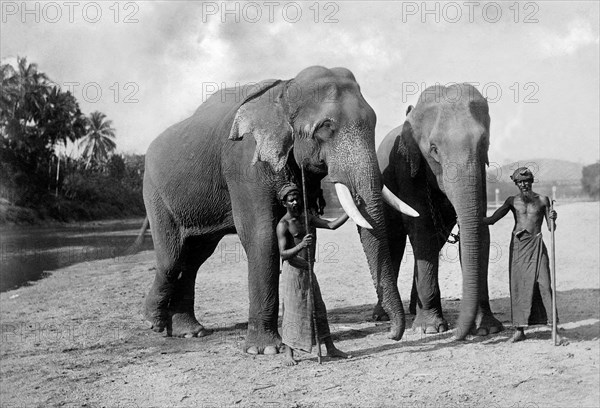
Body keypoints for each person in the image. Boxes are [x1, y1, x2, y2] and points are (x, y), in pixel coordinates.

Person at [484, 167, 566, 344]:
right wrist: (470, 219)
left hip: (537, 245)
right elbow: (491, 220)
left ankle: (554, 330)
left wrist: (554, 218)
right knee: (519, 287)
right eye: (520, 182)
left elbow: (551, 228)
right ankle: (519, 330)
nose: (524, 184)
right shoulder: (512, 201)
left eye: (527, 181)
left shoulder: (544, 200)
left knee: (545, 285)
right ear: (516, 184)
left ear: (532, 181)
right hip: (519, 248)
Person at [276, 183, 353, 365]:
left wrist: (350, 210)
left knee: (319, 308)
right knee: (292, 310)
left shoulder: (307, 218)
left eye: (297, 198)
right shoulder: (283, 225)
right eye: (291, 199)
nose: (295, 202)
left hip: (309, 269)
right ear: (284, 203)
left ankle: (330, 347)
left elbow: (332, 225)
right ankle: (289, 353)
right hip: (293, 271)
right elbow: (283, 253)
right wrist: (301, 245)